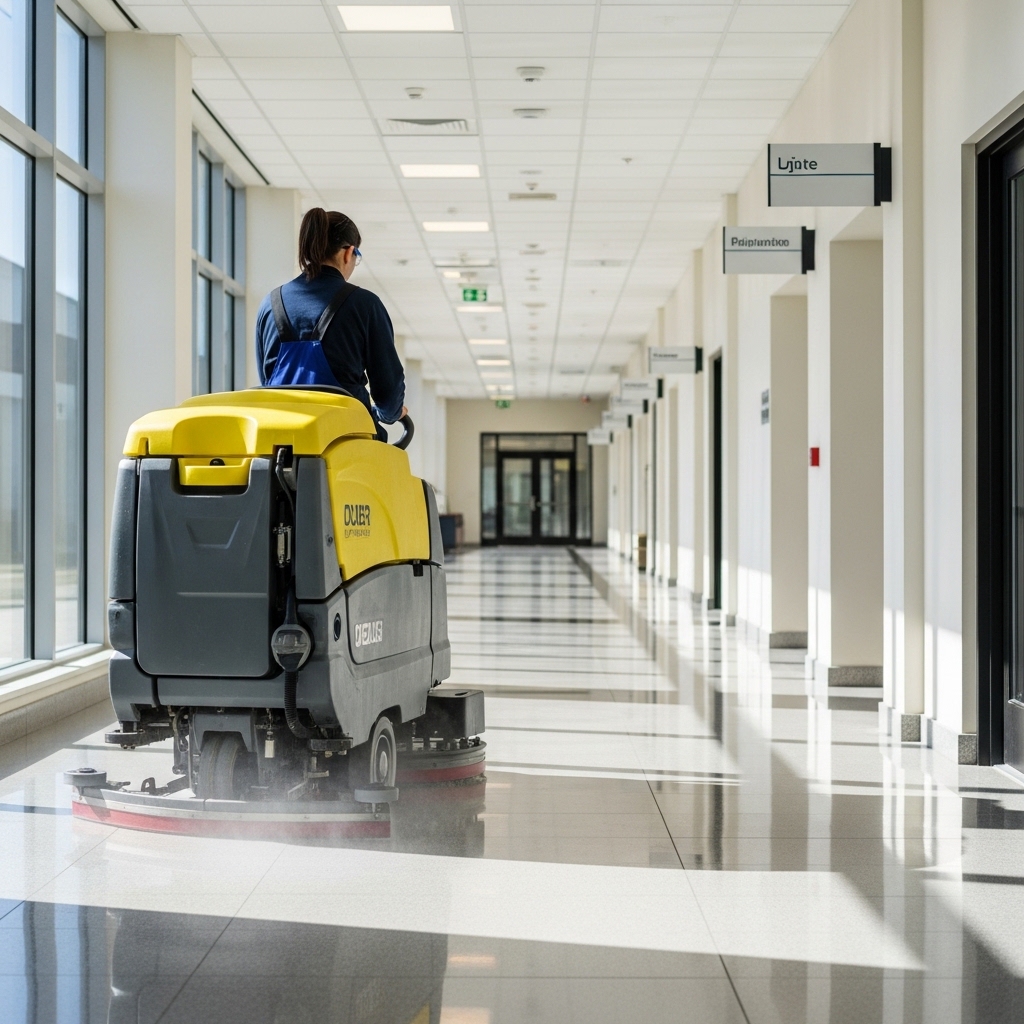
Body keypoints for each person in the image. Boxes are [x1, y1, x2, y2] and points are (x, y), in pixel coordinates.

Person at [255, 208, 406, 440]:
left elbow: (267, 380)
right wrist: (390, 414)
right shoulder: (364, 304)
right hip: (347, 441)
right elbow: (388, 388)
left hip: (280, 442)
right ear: (348, 253)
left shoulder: (270, 304)